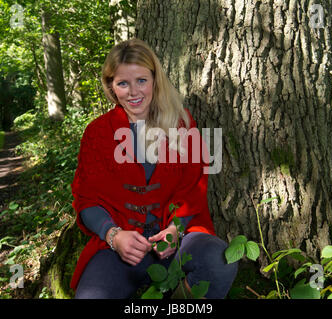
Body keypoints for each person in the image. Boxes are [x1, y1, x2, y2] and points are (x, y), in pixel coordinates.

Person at [70, 38, 238, 299]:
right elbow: (86, 199)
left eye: (141, 80)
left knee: (219, 260)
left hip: (177, 243)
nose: (134, 92)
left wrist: (174, 229)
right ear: (111, 87)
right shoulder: (97, 133)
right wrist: (114, 236)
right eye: (123, 83)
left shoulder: (181, 123)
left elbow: (194, 188)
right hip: (118, 249)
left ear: (154, 80)